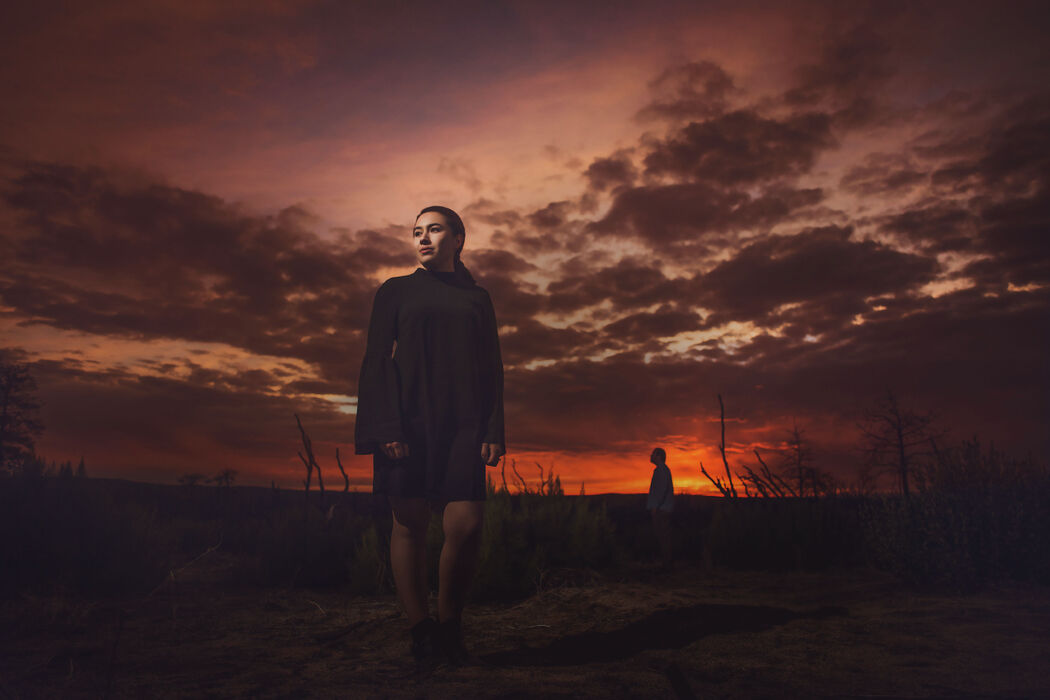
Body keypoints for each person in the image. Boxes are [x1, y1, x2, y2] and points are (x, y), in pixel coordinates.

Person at [354, 205, 506, 671]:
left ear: (458, 238)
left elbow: (492, 367)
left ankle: (450, 624)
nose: (423, 238)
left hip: (464, 423)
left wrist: (494, 427)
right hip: (408, 422)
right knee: (410, 524)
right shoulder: (395, 291)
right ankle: (421, 630)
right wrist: (386, 427)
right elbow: (377, 359)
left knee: (466, 524)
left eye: (434, 230)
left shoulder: (478, 299)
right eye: (417, 232)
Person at [647, 447, 674, 570]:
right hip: (662, 508)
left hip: (661, 509)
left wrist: (655, 507)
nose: (651, 456)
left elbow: (661, 490)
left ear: (659, 456)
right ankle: (666, 563)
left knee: (663, 535)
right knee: (662, 536)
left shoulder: (661, 470)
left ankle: (667, 564)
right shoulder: (661, 470)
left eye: (653, 454)